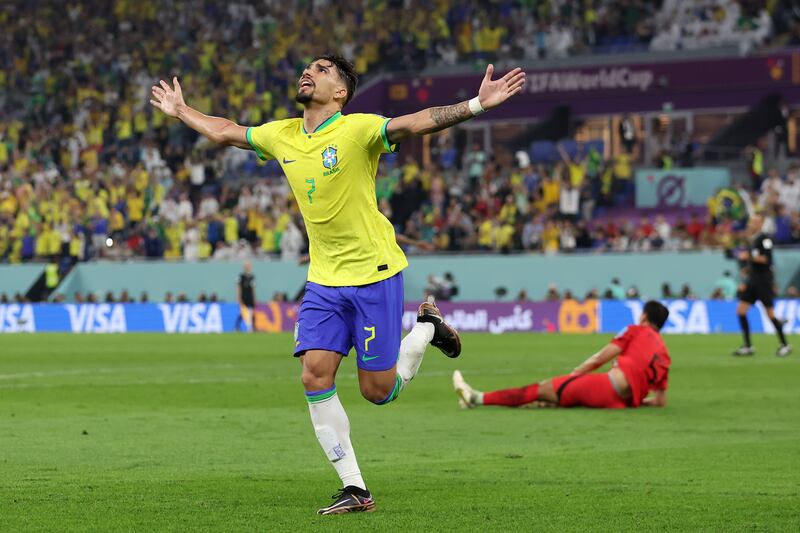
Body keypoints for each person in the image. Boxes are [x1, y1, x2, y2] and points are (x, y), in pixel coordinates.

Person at [151, 54, 525, 514]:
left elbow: (413, 123)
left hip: (374, 275)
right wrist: (181, 110)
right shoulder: (281, 134)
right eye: (309, 67)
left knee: (377, 392)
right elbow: (227, 131)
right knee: (313, 373)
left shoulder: (357, 129)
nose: (310, 71)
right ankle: (355, 488)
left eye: (324, 69)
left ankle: (427, 329)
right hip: (324, 282)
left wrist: (476, 105)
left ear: (341, 92)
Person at [454, 300, 671, 410]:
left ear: (644, 316)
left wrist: (575, 374)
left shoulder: (636, 330)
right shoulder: (663, 353)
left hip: (606, 388)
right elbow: (660, 401)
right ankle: (556, 399)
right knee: (553, 398)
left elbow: (600, 358)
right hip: (622, 402)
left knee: (541, 389)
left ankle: (476, 398)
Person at [732, 214, 792, 357]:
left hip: (763, 282)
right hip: (753, 281)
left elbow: (766, 259)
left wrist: (749, 257)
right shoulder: (752, 240)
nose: (752, 223)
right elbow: (754, 261)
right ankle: (748, 346)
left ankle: (785, 345)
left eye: (756, 221)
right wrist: (746, 271)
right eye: (752, 221)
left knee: (770, 314)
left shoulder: (765, 239)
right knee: (740, 311)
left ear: (761, 223)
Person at [235, 261, 256, 332]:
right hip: (243, 296)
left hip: (249, 296)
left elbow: (253, 288)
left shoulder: (252, 277)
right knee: (242, 312)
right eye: (246, 266)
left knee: (251, 312)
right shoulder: (241, 276)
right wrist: (239, 297)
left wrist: (254, 298)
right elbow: (238, 287)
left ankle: (251, 327)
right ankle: (237, 326)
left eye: (249, 266)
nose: (248, 267)